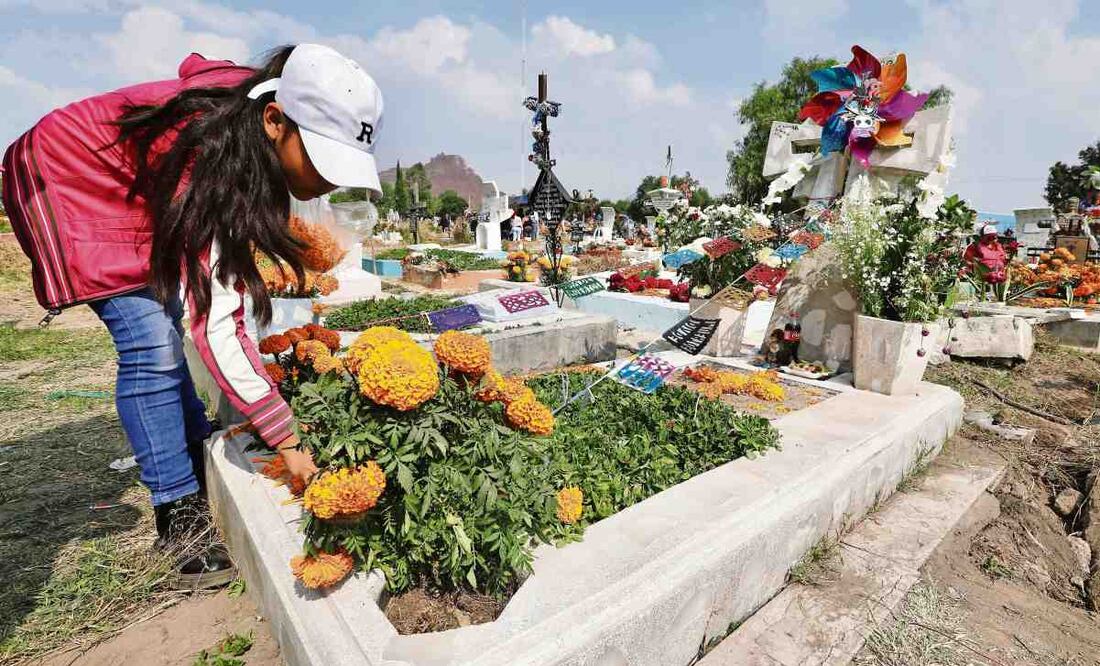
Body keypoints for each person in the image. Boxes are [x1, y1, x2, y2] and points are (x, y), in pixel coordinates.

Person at [1, 44, 383, 587]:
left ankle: (193, 445)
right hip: (69, 176)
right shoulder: (220, 156)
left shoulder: (247, 131)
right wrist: (287, 440)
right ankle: (178, 516)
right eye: (323, 159)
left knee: (162, 321)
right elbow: (219, 321)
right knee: (150, 342)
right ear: (275, 121)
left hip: (124, 185)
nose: (329, 180)